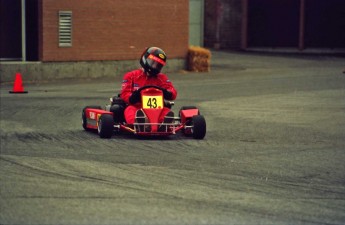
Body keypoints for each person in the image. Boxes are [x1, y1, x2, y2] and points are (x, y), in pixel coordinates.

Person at [120, 47, 177, 130]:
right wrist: (133, 97)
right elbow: (124, 94)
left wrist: (167, 92)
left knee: (166, 111)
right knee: (130, 110)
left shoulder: (161, 78)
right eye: (153, 63)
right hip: (137, 107)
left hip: (157, 109)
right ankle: (139, 122)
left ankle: (163, 124)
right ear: (145, 59)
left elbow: (172, 91)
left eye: (158, 65)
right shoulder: (131, 76)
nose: (155, 67)